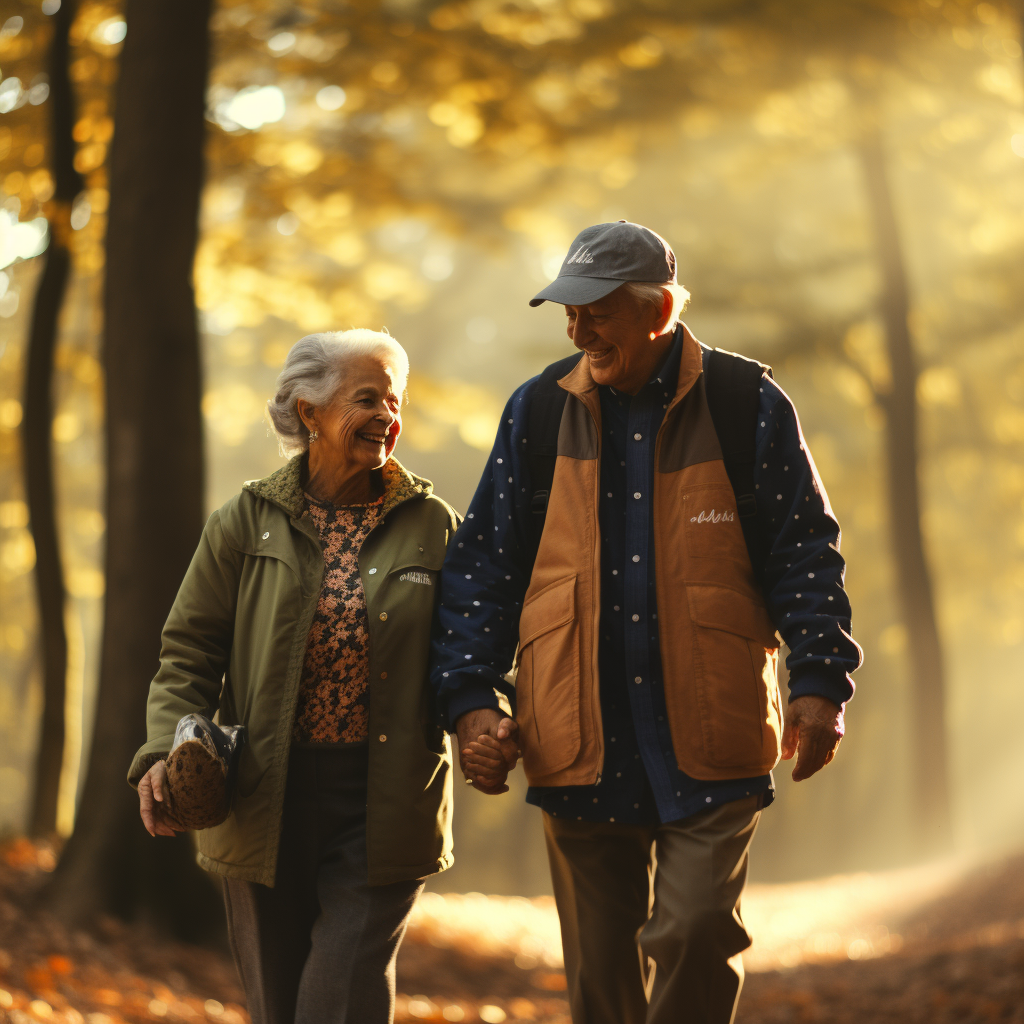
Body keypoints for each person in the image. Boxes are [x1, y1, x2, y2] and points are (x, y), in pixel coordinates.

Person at [432, 222, 863, 1024]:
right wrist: (471, 701)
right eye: (568, 311)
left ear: (659, 308)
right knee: (601, 976)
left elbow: (804, 549)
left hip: (711, 731)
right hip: (574, 734)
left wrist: (819, 680)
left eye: (596, 310)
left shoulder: (746, 404)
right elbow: (483, 567)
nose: (577, 328)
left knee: (697, 930)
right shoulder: (535, 414)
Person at [128, 330, 460, 1024]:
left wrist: (486, 715)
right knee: (280, 1005)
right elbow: (189, 650)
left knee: (337, 994)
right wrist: (162, 752)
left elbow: (467, 650)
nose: (386, 417)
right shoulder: (244, 523)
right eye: (365, 399)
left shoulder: (432, 523)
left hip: (387, 796)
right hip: (261, 794)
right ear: (309, 412)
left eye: (393, 401)